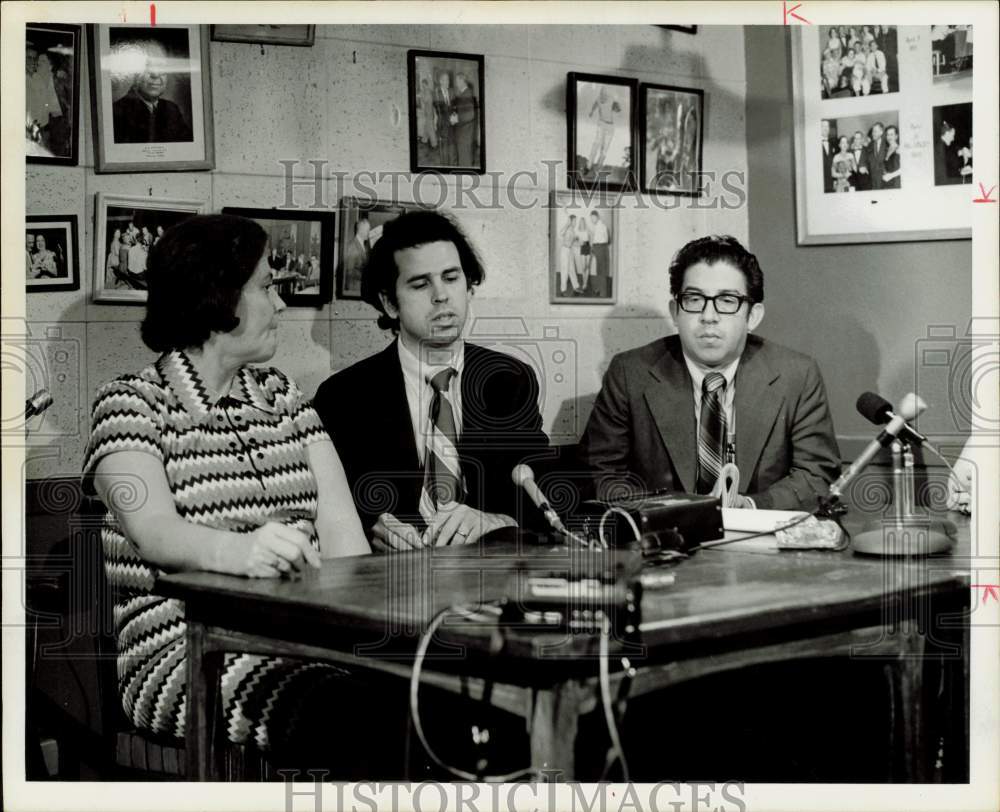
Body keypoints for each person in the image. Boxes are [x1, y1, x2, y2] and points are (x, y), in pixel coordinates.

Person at [81, 214, 370, 765]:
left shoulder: (284, 397)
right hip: (179, 656)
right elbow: (155, 533)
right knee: (350, 713)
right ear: (216, 295)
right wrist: (246, 551)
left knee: (438, 692)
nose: (282, 304)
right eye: (266, 286)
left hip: (306, 644)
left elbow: (346, 545)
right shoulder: (130, 403)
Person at [313, 209, 549, 550]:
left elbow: (541, 491)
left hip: (489, 575)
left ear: (469, 287)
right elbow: (332, 506)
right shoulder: (344, 397)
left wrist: (497, 521)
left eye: (452, 278)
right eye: (421, 284)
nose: (441, 296)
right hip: (392, 583)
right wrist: (370, 527)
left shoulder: (509, 380)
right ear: (389, 303)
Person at [579, 235, 840, 511]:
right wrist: (681, 513)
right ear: (675, 311)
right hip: (664, 541)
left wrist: (750, 506)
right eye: (694, 299)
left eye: (727, 300)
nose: (708, 316)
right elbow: (600, 475)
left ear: (753, 316)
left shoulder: (796, 375)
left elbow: (816, 475)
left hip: (759, 541)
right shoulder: (630, 373)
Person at [111, 40, 193, 143]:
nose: (156, 74)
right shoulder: (117, 113)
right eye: (147, 66)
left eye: (161, 67)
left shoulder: (172, 109)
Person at [587, 86, 618, 177]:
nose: (604, 95)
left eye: (605, 93)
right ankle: (588, 166)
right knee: (596, 144)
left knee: (604, 149)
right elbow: (595, 105)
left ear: (607, 94)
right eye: (602, 93)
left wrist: (616, 102)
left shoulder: (611, 100)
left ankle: (598, 168)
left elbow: (617, 109)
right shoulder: (598, 99)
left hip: (610, 126)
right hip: (601, 124)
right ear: (600, 93)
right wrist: (591, 112)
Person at [432, 70, 458, 165]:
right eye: (445, 80)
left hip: (452, 125)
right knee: (443, 150)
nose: (448, 82)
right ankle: (445, 167)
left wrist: (455, 114)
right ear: (440, 81)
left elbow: (455, 106)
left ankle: (453, 166)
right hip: (442, 125)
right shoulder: (436, 93)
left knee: (452, 148)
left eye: (448, 79)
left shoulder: (452, 91)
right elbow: (439, 111)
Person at [453, 72, 478, 166]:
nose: (456, 84)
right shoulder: (465, 93)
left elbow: (470, 115)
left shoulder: (466, 94)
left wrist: (457, 119)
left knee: (465, 160)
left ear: (462, 81)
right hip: (465, 132)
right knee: (466, 157)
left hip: (465, 133)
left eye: (457, 81)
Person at [343, 216, 371, 294]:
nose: (369, 233)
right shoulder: (352, 246)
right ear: (361, 230)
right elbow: (349, 271)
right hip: (354, 288)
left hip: (360, 287)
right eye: (368, 230)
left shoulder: (363, 245)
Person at [935, 121, 966, 185]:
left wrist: (960, 151)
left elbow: (953, 154)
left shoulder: (943, 146)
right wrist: (961, 172)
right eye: (952, 135)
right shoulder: (940, 149)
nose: (953, 139)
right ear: (947, 133)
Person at [589, 210, 611, 298]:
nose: (592, 220)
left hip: (600, 248)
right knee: (600, 270)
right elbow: (607, 239)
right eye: (591, 219)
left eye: (592, 218)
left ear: (597, 217)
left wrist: (595, 247)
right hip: (601, 248)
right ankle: (599, 289)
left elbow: (601, 240)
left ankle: (603, 293)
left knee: (601, 271)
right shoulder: (601, 226)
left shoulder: (600, 226)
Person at [860, 121, 888, 189]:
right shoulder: (868, 145)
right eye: (873, 131)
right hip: (872, 181)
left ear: (881, 132)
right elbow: (864, 160)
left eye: (875, 131)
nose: (873, 134)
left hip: (885, 180)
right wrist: (863, 166)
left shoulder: (887, 143)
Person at [558, 213, 580, 295]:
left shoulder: (573, 231)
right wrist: (567, 224)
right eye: (574, 221)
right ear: (570, 221)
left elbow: (573, 243)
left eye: (575, 221)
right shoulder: (567, 228)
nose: (575, 223)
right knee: (565, 270)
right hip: (565, 250)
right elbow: (560, 233)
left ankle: (576, 287)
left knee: (572, 269)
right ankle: (563, 290)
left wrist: (580, 243)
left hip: (570, 251)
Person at [820, 119, 835, 192]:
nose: (826, 128)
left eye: (827, 126)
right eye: (823, 126)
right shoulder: (813, 144)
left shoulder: (833, 144)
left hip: (831, 184)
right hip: (820, 184)